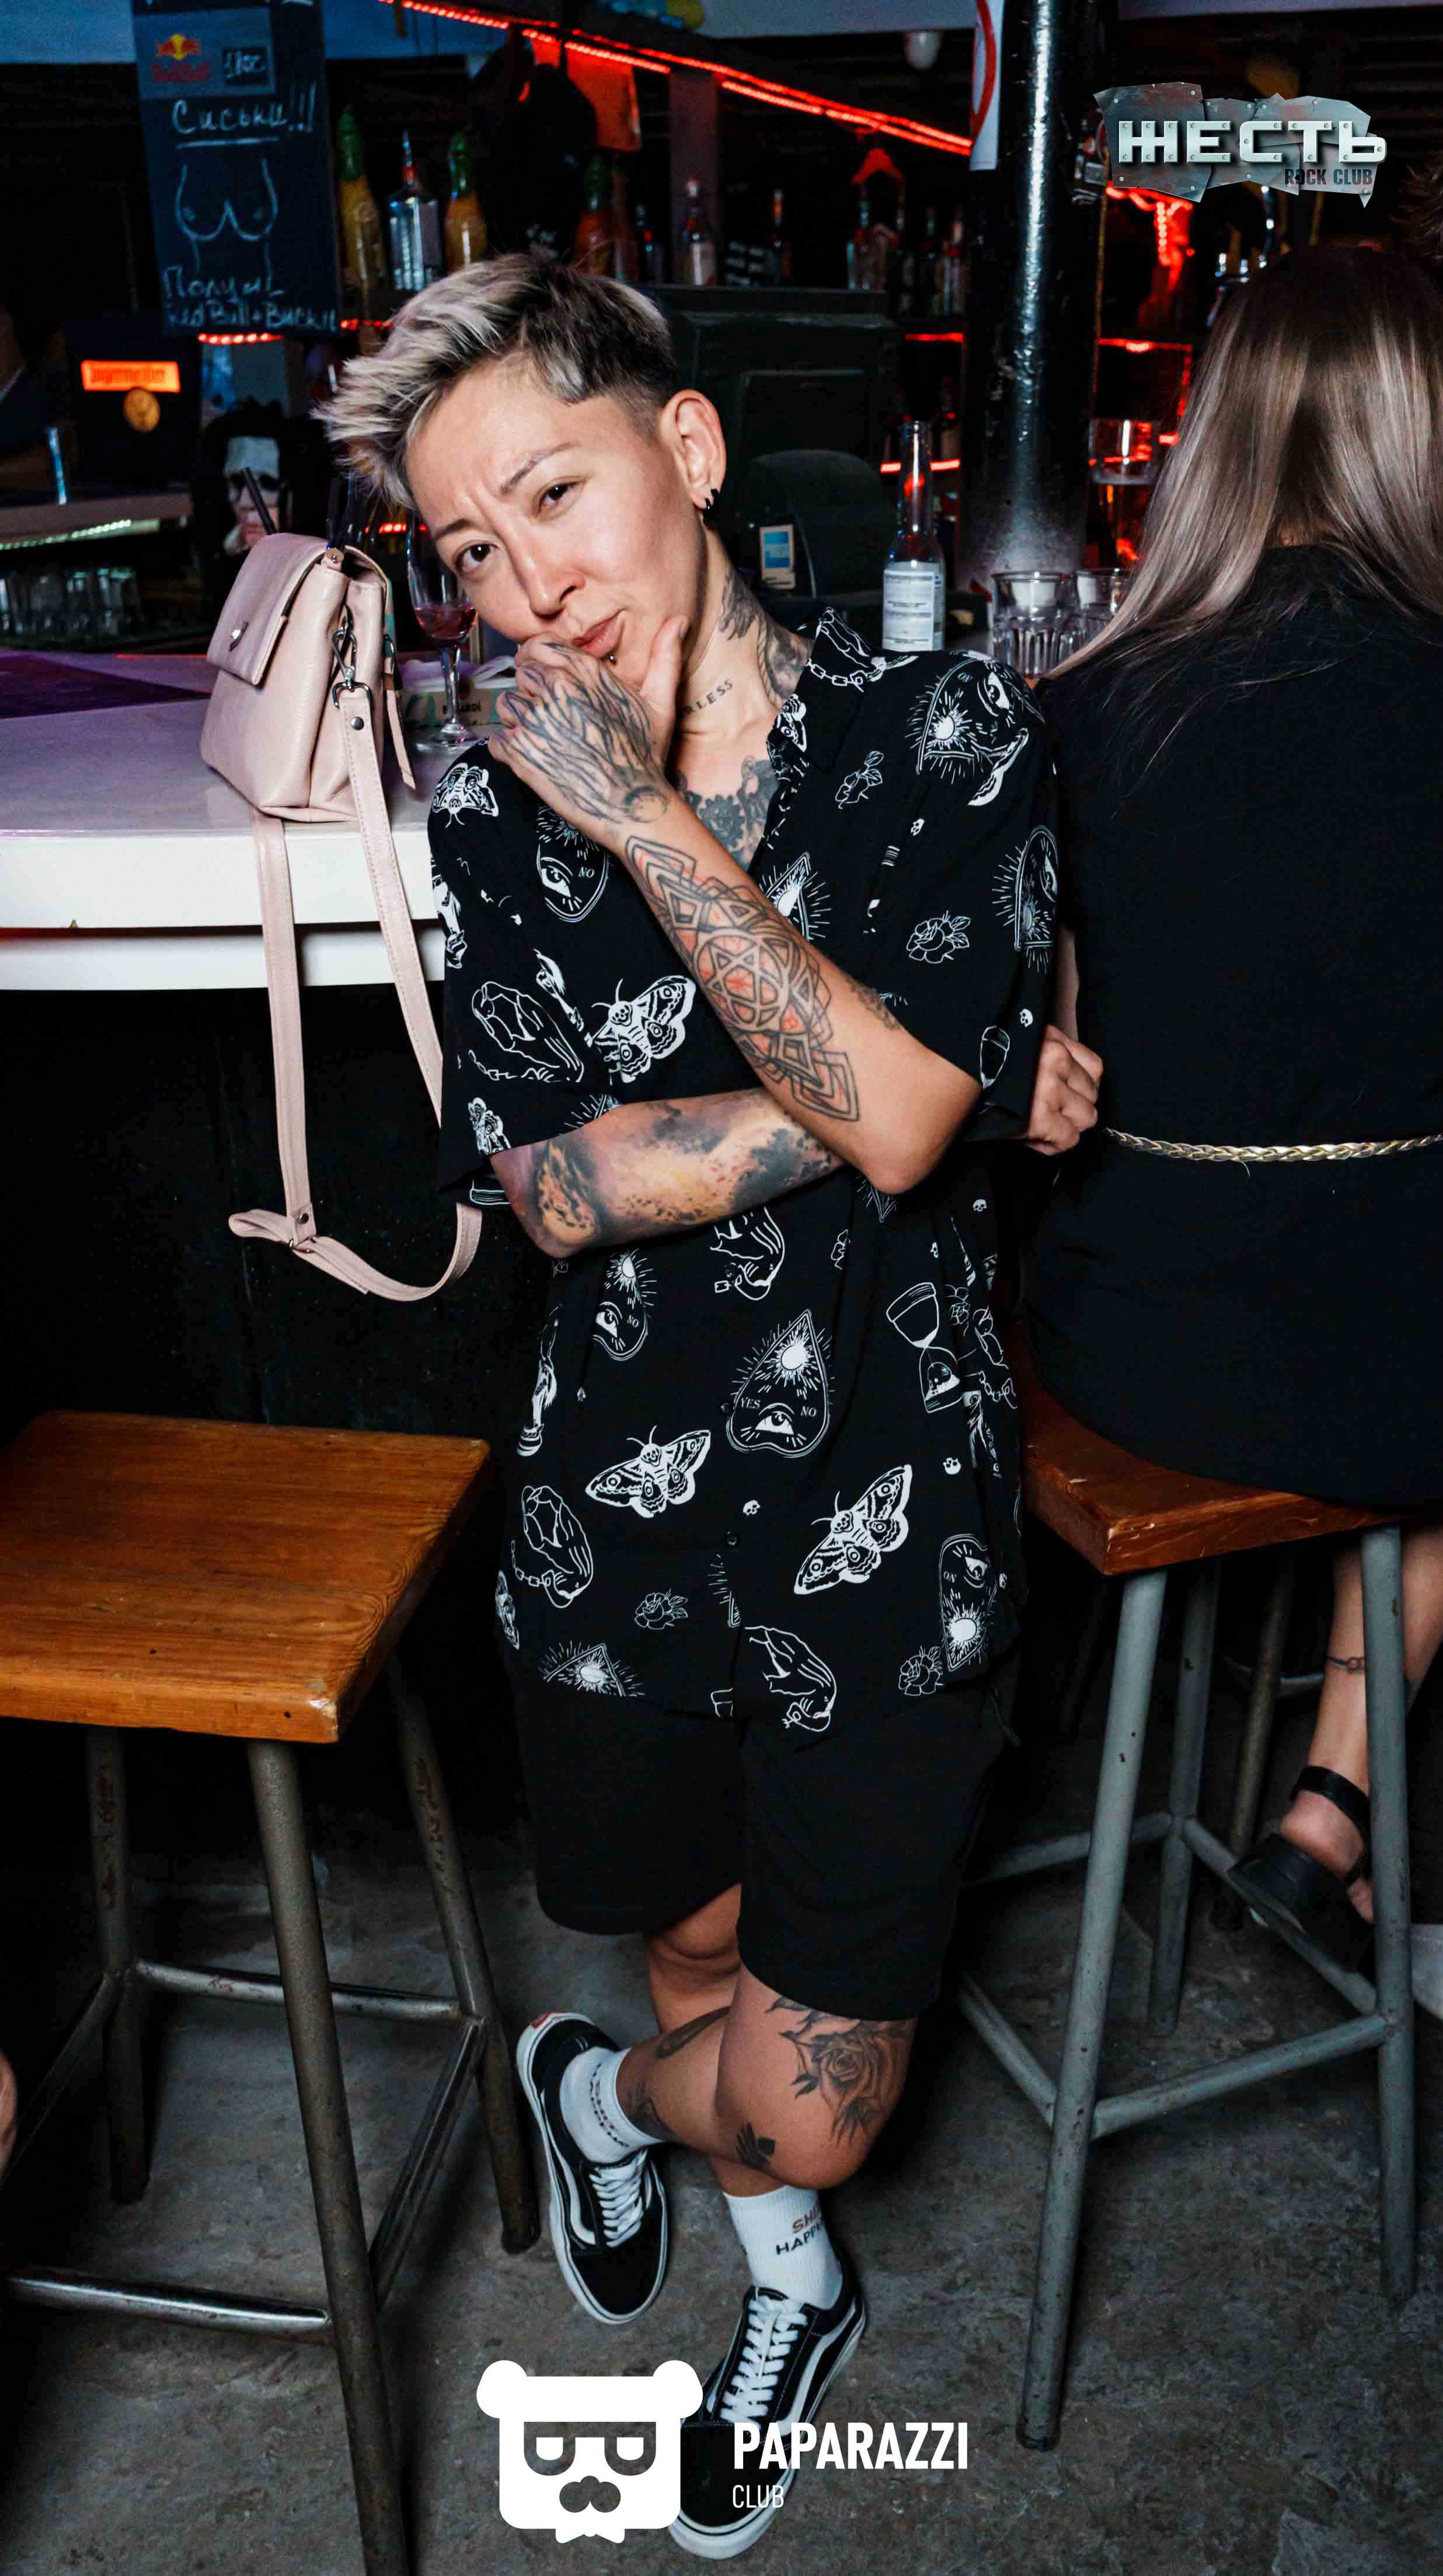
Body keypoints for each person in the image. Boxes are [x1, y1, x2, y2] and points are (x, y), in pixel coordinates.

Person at [325, 253, 1096, 2554]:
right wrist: (920, 1090)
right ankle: (786, 2280)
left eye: (554, 496)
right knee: (693, 1948)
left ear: (685, 446)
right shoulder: (490, 814)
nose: (524, 588)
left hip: (893, 1508)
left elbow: (859, 1122)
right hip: (618, 1523)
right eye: (468, 549)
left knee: (815, 2095)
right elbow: (555, 1191)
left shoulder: (947, 731)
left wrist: (653, 822)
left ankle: (607, 2108)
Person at [1027, 246, 1443, 1978]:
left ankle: (1335, 1819)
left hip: (1137, 1344)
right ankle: (1341, 1807)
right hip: (1396, 1358)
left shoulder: (1080, 705)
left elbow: (1048, 1066)